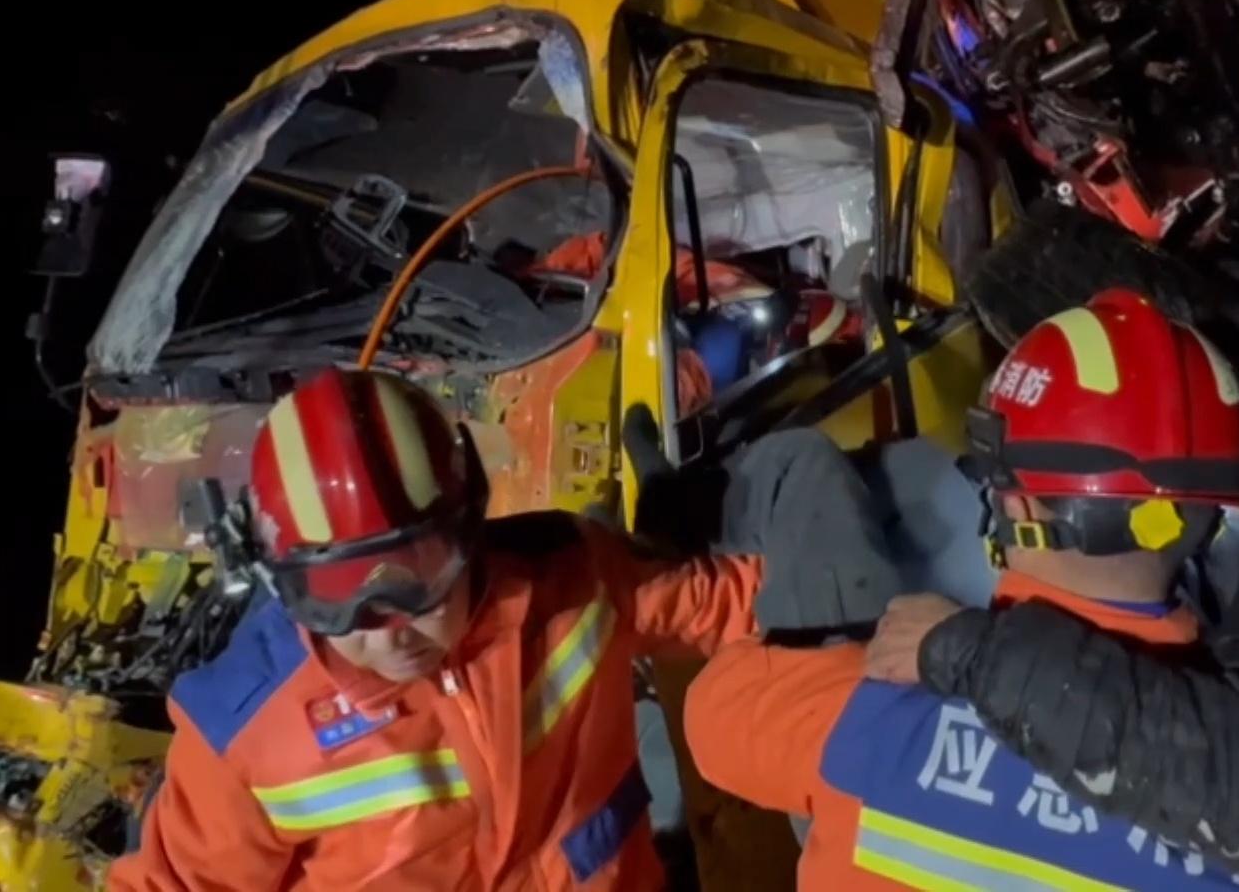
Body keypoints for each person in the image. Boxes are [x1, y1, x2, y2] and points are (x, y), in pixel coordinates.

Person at [684, 290, 1239, 889]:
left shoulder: (861, 711)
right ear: (1221, 502)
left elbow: (713, 711)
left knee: (796, 467)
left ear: (1012, 504)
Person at [111, 367, 762, 890]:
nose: (389, 630)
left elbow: (722, 604)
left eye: (418, 579)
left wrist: (800, 559)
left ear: (469, 534)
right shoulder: (243, 736)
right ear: (280, 579)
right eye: (339, 599)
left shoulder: (575, 579)